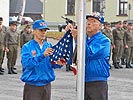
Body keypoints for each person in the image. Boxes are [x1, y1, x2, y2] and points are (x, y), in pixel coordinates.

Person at [66, 12, 111, 100]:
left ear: (100, 26)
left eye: (93, 21)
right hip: (83, 79)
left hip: (97, 81)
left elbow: (88, 53)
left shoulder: (104, 41)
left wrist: (79, 37)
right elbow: (74, 54)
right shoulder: (85, 38)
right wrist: (71, 34)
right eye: (88, 21)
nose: (89, 23)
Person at [20, 19, 66, 100]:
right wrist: (42, 55)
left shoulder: (48, 45)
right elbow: (27, 64)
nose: (43, 32)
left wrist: (58, 63)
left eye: (45, 30)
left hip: (46, 84)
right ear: (34, 31)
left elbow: (51, 63)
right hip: (33, 86)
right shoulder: (27, 47)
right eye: (41, 30)